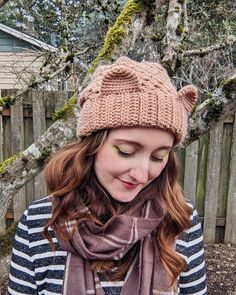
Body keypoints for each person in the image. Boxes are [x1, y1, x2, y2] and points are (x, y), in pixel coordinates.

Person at [8, 56, 207, 295]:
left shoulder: (179, 219)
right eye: (126, 151)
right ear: (92, 146)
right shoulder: (41, 221)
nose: (142, 175)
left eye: (158, 157)